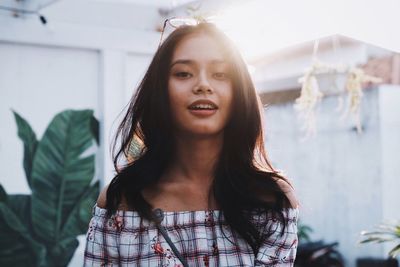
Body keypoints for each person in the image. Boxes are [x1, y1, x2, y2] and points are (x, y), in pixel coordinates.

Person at [84, 21, 299, 267]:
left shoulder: (270, 200)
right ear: (160, 90)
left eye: (220, 74)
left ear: (239, 91)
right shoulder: (121, 201)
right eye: (183, 73)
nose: (203, 85)